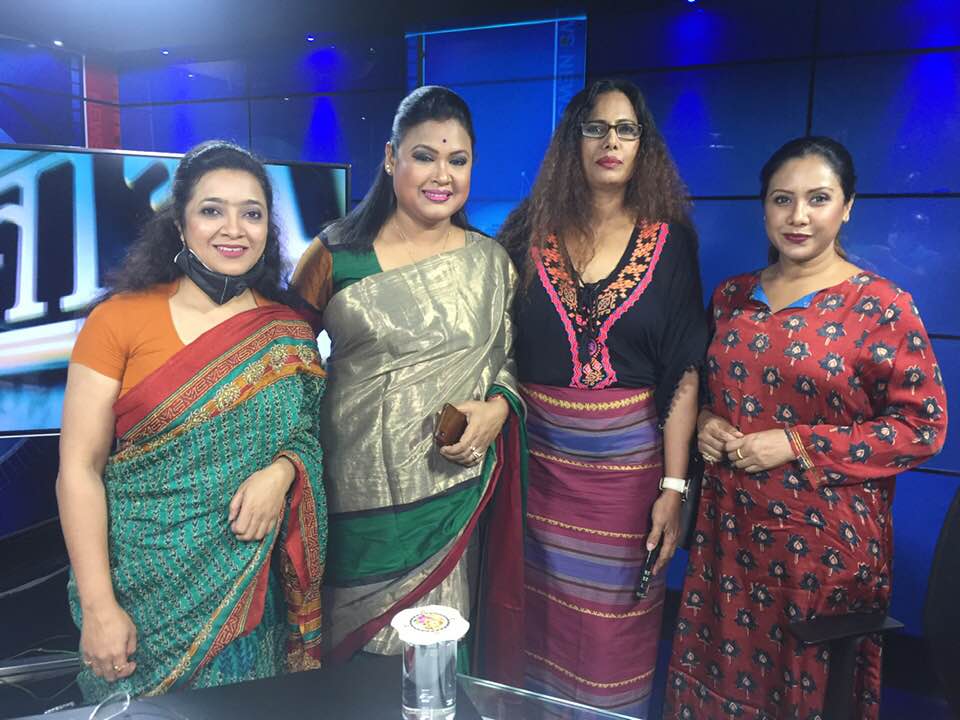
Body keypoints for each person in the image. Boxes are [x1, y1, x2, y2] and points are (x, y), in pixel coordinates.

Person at [666, 137, 948, 719]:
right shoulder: (732, 295)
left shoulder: (881, 305)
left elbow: (922, 427)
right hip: (729, 533)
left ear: (847, 207)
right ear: (763, 208)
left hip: (822, 549)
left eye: (818, 199)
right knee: (719, 672)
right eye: (782, 199)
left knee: (805, 689)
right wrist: (709, 424)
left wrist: (798, 443)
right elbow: (715, 392)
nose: (798, 216)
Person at [57, 141, 327, 702]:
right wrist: (100, 606)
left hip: (248, 594)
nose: (234, 229)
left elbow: (305, 436)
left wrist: (282, 472)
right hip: (138, 591)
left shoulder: (287, 333)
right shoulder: (117, 319)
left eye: (251, 213)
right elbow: (79, 469)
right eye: (212, 210)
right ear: (180, 223)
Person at [291, 86, 524, 664]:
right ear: (392, 158)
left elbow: (511, 355)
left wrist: (498, 407)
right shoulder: (335, 255)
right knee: (355, 661)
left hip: (449, 496)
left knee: (438, 655)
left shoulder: (491, 262)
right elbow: (280, 364)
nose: (441, 175)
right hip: (354, 499)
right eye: (424, 156)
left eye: (457, 160)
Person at [498, 78, 708, 716]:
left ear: (643, 145)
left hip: (628, 488)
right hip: (536, 476)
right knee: (532, 627)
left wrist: (674, 489)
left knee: (612, 642)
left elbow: (684, 372)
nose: (610, 141)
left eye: (626, 129)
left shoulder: (671, 243)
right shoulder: (525, 234)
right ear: (573, 141)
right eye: (595, 128)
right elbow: (492, 344)